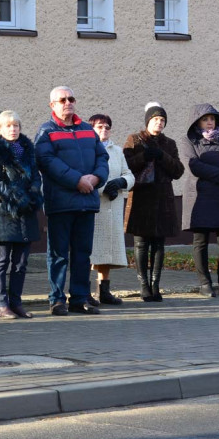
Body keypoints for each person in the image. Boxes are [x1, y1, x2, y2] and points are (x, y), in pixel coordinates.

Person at [34, 86, 109, 316]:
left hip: (86, 202)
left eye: (71, 98)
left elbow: (102, 157)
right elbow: (46, 161)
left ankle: (79, 298)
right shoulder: (46, 132)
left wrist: (96, 178)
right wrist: (77, 180)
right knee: (58, 254)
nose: (68, 102)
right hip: (61, 203)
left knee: (82, 253)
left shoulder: (88, 130)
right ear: (52, 105)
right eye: (62, 99)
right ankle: (57, 300)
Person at [0, 111, 43, 319]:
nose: (13, 129)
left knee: (21, 262)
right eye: (8, 126)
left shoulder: (27, 150)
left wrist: (33, 194)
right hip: (3, 214)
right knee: (1, 261)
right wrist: (18, 199)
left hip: (26, 214)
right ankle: (1, 305)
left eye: (16, 125)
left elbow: (36, 177)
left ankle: (16, 303)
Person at [179, 104, 219, 298]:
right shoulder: (189, 141)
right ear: (197, 122)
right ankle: (205, 283)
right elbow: (194, 165)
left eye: (212, 119)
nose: (210, 122)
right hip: (202, 196)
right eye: (205, 119)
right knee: (201, 241)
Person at [123, 103, 184, 302]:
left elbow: (178, 170)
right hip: (141, 197)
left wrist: (162, 156)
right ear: (148, 121)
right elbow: (127, 166)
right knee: (141, 243)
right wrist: (144, 156)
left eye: (162, 120)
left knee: (159, 244)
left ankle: (156, 285)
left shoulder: (169, 143)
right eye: (156, 119)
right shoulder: (134, 139)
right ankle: (144, 286)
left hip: (163, 198)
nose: (159, 123)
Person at [88, 114, 134, 306]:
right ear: (92, 129)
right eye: (100, 127)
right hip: (95, 205)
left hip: (113, 207)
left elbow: (128, 174)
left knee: (107, 251)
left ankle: (104, 291)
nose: (104, 130)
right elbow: (84, 175)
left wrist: (120, 183)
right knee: (91, 250)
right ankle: (84, 291)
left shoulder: (116, 151)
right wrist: (103, 188)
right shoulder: (87, 149)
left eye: (107, 127)